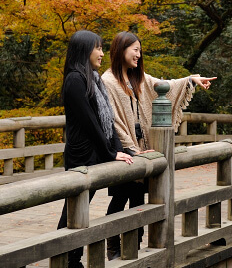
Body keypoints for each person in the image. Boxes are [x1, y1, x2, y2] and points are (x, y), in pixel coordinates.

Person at [101, 31, 216, 260]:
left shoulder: (139, 78)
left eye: (139, 50)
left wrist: (190, 80)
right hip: (125, 148)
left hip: (143, 147)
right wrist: (129, 147)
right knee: (121, 197)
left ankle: (134, 245)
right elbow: (111, 118)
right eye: (135, 49)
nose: (138, 54)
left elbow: (164, 86)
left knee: (138, 197)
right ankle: (113, 245)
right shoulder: (107, 81)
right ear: (121, 49)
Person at [57, 30, 133, 268]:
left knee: (82, 208)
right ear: (84, 50)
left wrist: (122, 150)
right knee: (74, 210)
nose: (102, 53)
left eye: (102, 48)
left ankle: (72, 258)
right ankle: (67, 258)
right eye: (97, 48)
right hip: (81, 155)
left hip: (95, 153)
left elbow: (107, 120)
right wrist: (111, 153)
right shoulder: (74, 80)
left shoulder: (94, 78)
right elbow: (90, 122)